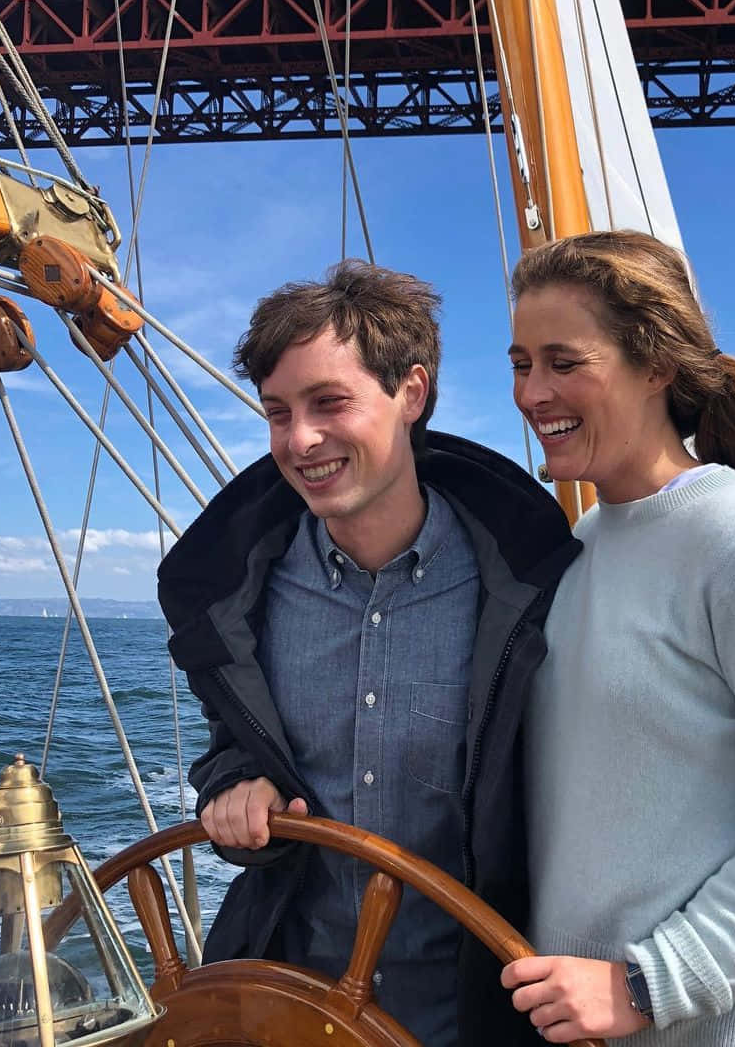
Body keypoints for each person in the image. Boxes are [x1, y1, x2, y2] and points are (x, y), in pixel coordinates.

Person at [158, 260, 580, 1046]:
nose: (300, 441)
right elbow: (237, 748)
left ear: (411, 394)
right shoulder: (236, 595)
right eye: (278, 413)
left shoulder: (532, 583)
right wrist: (232, 786)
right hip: (289, 1004)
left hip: (484, 1013)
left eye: (329, 403)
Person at [500, 230, 735, 1046]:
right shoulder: (585, 547)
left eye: (564, 362)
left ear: (657, 366)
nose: (533, 392)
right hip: (619, 1021)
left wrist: (649, 983)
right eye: (521, 363)